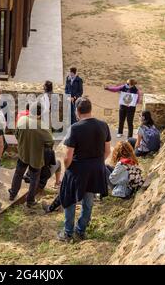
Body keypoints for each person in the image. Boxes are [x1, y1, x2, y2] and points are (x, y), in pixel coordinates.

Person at [58, 97, 111, 242]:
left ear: (77, 111)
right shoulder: (103, 125)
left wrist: (66, 169)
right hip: (95, 170)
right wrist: (97, 163)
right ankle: (81, 230)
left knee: (70, 200)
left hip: (77, 169)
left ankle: (68, 233)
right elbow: (107, 151)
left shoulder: (75, 128)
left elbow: (68, 156)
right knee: (88, 201)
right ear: (90, 109)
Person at [9, 102, 54, 207]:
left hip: (23, 153)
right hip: (36, 157)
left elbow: (16, 134)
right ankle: (30, 200)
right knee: (34, 179)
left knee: (18, 174)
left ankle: (12, 193)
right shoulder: (42, 126)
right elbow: (50, 142)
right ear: (40, 113)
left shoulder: (22, 120)